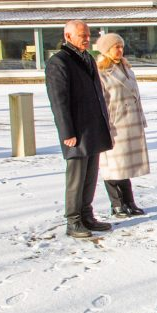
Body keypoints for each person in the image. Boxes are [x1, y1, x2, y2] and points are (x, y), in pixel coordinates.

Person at [45, 20, 114, 238]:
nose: (87, 39)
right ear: (68, 36)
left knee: (90, 176)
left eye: (88, 35)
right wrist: (67, 132)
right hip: (76, 130)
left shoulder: (88, 58)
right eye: (82, 35)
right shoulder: (59, 62)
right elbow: (59, 101)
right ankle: (73, 220)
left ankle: (86, 215)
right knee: (76, 177)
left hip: (93, 127)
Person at [94, 33, 149, 217]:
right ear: (106, 50)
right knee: (112, 165)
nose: (120, 50)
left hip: (130, 123)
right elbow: (100, 101)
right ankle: (117, 203)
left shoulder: (126, 68)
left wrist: (141, 119)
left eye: (121, 46)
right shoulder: (101, 71)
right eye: (115, 47)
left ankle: (129, 201)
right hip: (114, 124)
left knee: (125, 165)